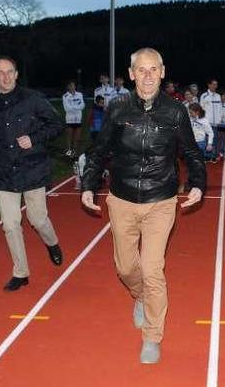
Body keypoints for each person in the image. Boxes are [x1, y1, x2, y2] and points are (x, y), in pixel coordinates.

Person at [80, 47, 207, 365]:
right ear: (132, 72)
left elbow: (191, 152)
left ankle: (152, 336)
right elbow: (100, 150)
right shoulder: (118, 108)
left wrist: (198, 184)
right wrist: (89, 184)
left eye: (154, 70)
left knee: (153, 270)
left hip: (160, 201)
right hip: (121, 199)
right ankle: (139, 296)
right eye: (142, 69)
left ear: (163, 73)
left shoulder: (176, 111)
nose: (148, 76)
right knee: (125, 267)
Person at [0, 56, 65, 292]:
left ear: (17, 74)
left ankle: (52, 242)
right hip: (4, 172)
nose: (6, 76)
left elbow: (56, 125)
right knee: (10, 225)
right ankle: (21, 273)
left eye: (10, 72)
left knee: (37, 220)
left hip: (32, 169)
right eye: (0, 72)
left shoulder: (33, 99)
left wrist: (34, 138)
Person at [62, 80, 85, 156]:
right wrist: (77, 107)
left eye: (74, 85)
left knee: (77, 138)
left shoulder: (80, 94)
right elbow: (67, 108)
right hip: (69, 119)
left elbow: (83, 105)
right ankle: (69, 151)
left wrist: (73, 107)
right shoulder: (65, 96)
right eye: (71, 85)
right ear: (68, 87)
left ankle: (74, 151)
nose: (73, 87)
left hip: (78, 119)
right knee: (69, 137)